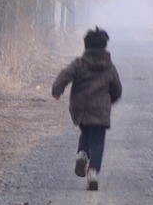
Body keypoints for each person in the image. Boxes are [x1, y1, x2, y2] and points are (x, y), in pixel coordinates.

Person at [52, 27, 123, 191]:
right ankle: (93, 172)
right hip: (100, 110)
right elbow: (117, 89)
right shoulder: (109, 67)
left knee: (85, 132)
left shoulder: (79, 63)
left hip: (81, 107)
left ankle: (82, 154)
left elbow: (64, 75)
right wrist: (111, 99)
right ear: (105, 46)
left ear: (85, 45)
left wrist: (57, 90)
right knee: (98, 141)